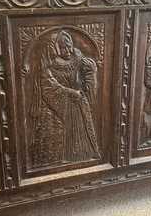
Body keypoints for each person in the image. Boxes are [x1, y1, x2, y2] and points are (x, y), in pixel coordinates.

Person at [29, 30, 100, 168]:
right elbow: (49, 86)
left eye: (69, 46)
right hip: (60, 108)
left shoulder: (78, 60)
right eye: (63, 47)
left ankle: (82, 157)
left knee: (81, 136)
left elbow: (85, 84)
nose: (67, 50)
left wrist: (91, 73)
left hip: (78, 104)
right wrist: (71, 92)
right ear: (55, 49)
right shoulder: (48, 66)